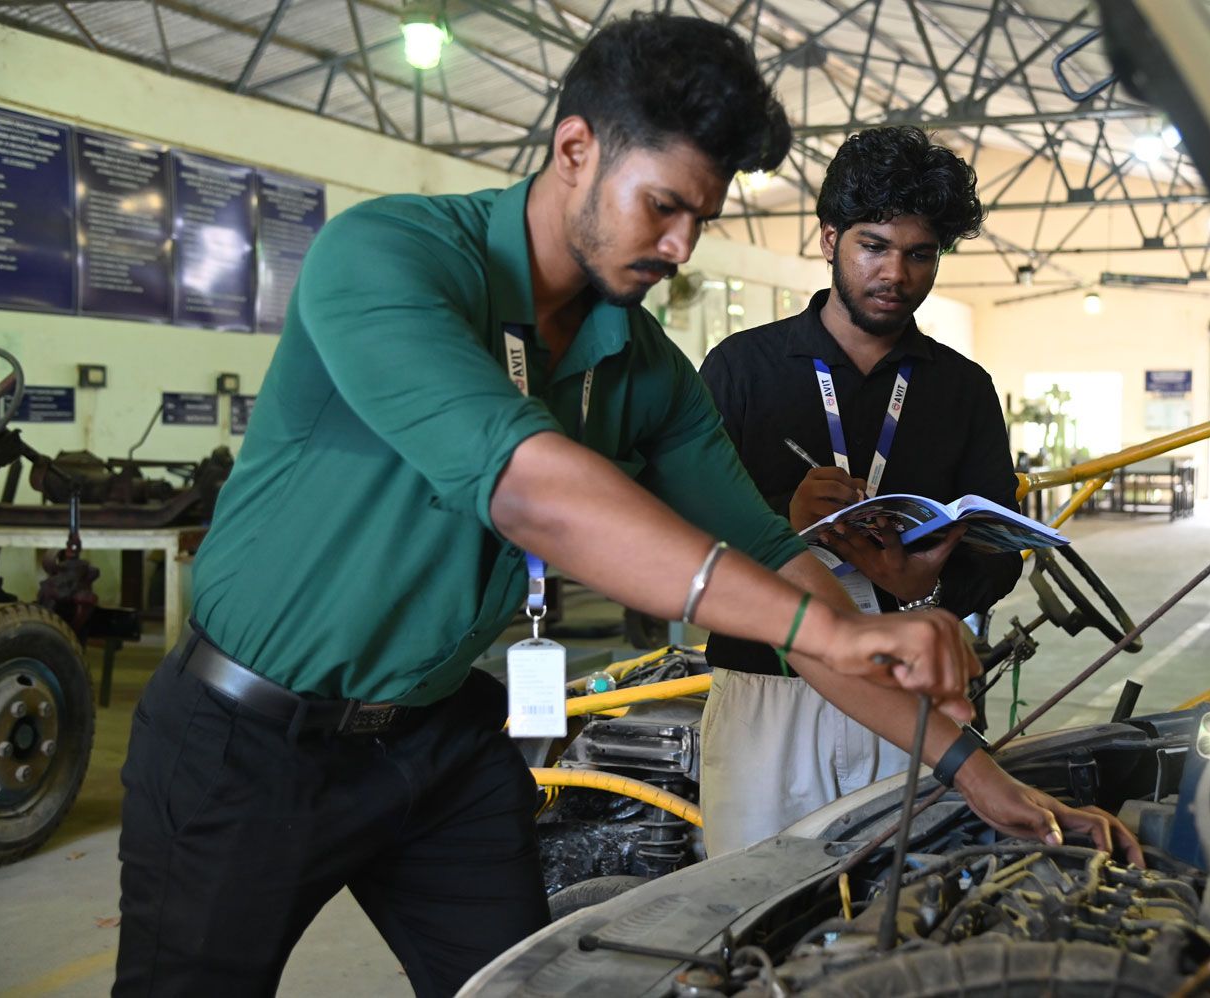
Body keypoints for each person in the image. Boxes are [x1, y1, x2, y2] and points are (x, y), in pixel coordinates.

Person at [113, 15, 1138, 997]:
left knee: (528, 978)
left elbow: (782, 566)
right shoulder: (390, 259)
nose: (684, 246)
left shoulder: (640, 365)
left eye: (704, 217)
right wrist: (823, 622)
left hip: (434, 736)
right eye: (664, 206)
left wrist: (976, 773)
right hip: (244, 738)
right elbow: (530, 490)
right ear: (575, 149)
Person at [699, 127, 1030, 854]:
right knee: (748, 895)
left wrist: (923, 587)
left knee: (912, 895)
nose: (896, 275)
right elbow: (679, 535)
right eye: (874, 246)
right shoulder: (742, 371)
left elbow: (1001, 548)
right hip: (768, 689)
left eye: (920, 255)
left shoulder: (961, 389)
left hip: (910, 686)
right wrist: (780, 526)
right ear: (828, 239)